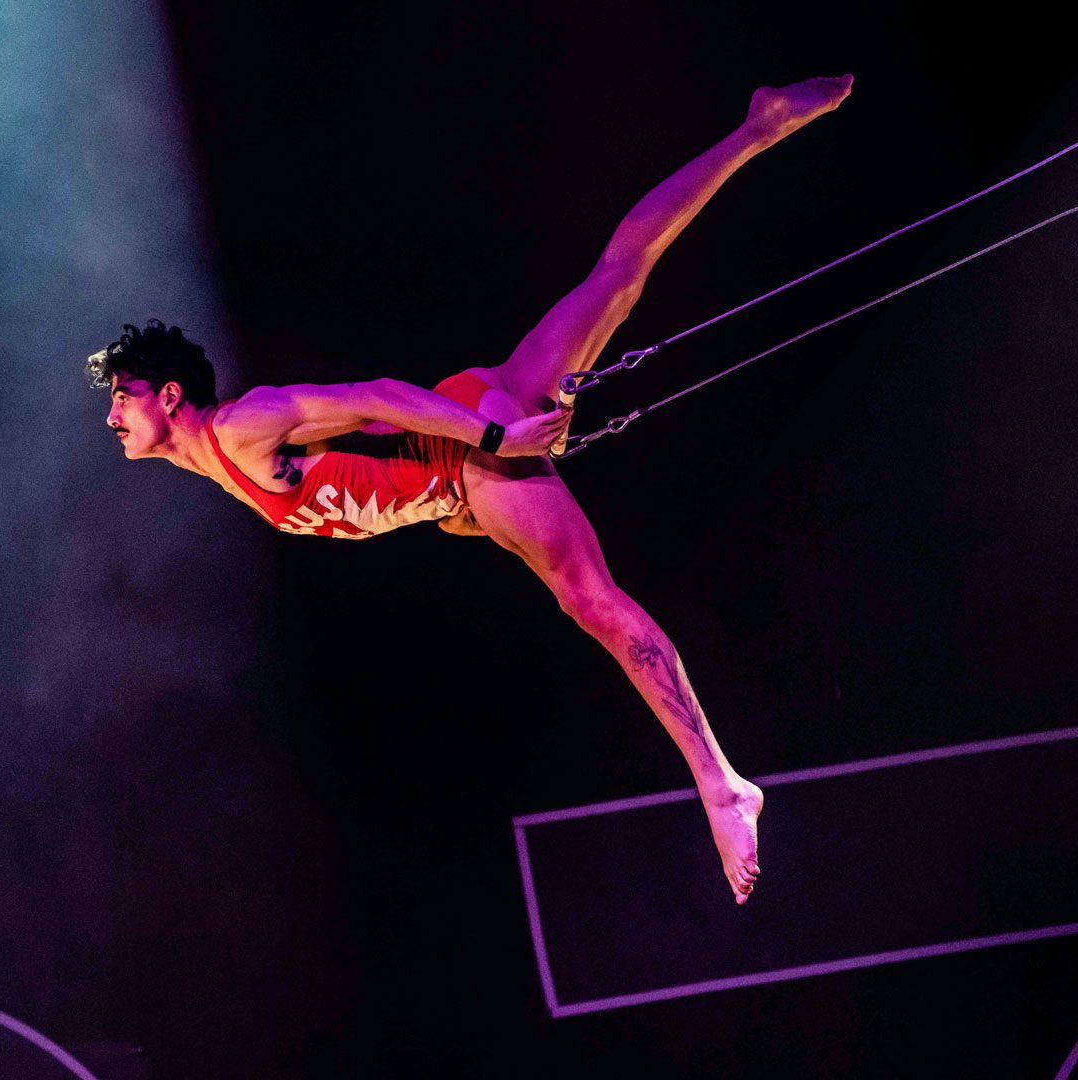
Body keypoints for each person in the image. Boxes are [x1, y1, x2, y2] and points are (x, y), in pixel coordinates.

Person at [89, 75, 855, 903]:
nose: (111, 419)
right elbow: (369, 449)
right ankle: (758, 127)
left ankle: (722, 781)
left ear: (169, 396)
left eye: (120, 398)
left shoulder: (243, 425)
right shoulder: (217, 461)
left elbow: (374, 394)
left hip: (469, 452)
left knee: (589, 601)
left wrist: (495, 439)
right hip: (464, 440)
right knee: (618, 276)